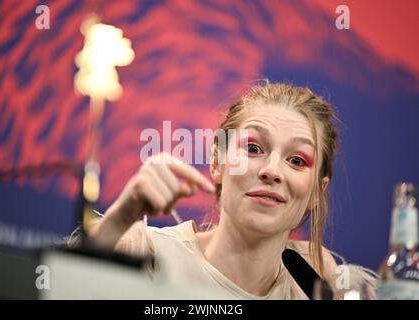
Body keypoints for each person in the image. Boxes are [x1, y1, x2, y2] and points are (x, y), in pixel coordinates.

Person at [80, 80, 377, 299]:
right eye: (253, 148)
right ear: (217, 162)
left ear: (316, 191)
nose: (272, 171)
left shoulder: (320, 287)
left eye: (297, 160)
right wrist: (120, 218)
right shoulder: (147, 254)